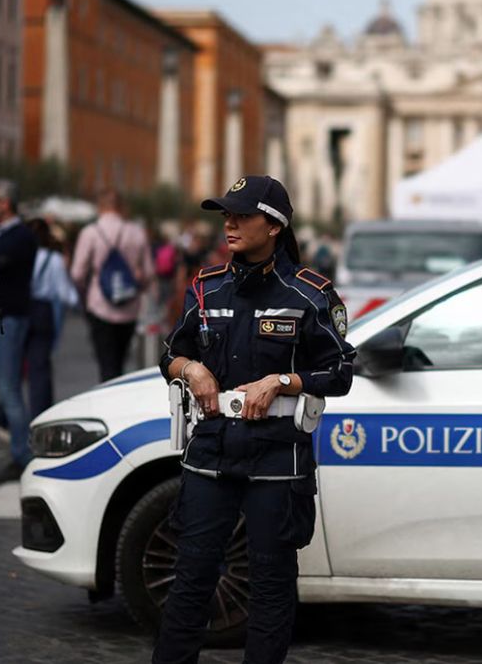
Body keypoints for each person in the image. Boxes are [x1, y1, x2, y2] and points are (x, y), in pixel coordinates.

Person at [152, 175, 356, 664]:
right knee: (191, 580)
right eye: (225, 215)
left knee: (270, 587)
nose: (229, 224)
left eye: (241, 215)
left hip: (278, 455)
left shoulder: (310, 294)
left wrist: (282, 382)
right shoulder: (204, 288)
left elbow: (341, 370)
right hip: (211, 449)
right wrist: (190, 368)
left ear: (273, 225)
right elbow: (169, 356)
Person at [0, 180, 37, 481]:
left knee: (9, 388)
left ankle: (22, 456)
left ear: (6, 203)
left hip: (9, 320)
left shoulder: (21, 236)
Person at [71, 189, 154, 381]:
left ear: (100, 206)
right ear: (122, 206)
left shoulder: (90, 232)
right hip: (130, 306)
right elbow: (149, 273)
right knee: (120, 361)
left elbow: (77, 273)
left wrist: (85, 293)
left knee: (106, 364)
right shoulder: (137, 232)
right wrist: (137, 284)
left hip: (99, 305)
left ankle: (108, 400)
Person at [24, 218, 78, 418]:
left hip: (19, 310)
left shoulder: (21, 255)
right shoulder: (53, 259)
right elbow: (65, 294)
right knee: (40, 368)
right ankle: (40, 414)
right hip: (42, 311)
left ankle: (8, 418)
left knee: (11, 370)